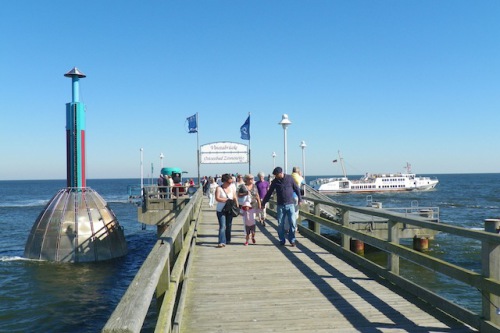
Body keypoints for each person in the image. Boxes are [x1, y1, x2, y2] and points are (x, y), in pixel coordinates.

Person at [261, 167, 302, 247]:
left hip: (290, 205)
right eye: (275, 175)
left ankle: (292, 239)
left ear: (281, 173)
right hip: (280, 206)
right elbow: (269, 193)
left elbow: (297, 188)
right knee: (280, 224)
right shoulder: (275, 182)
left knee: (293, 223)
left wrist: (300, 199)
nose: (275, 176)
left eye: (276, 175)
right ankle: (282, 240)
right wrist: (264, 202)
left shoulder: (289, 178)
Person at [215, 173, 238, 248]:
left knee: (229, 225)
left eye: (231, 182)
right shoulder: (219, 188)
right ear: (224, 181)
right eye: (229, 182)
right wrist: (226, 200)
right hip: (221, 210)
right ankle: (221, 241)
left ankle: (228, 239)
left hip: (230, 209)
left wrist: (237, 205)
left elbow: (234, 197)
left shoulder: (232, 188)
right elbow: (217, 198)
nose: (230, 183)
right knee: (222, 226)